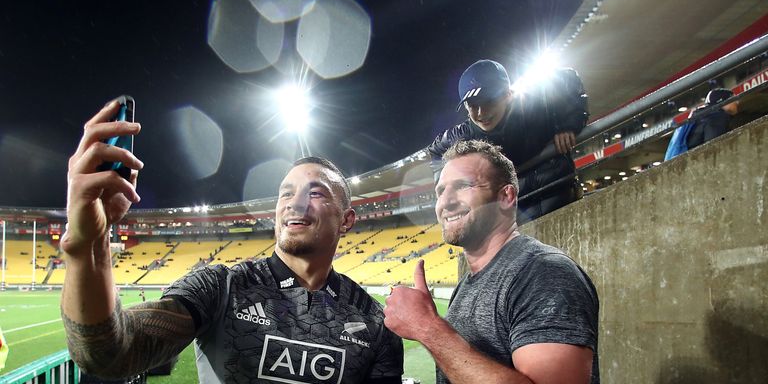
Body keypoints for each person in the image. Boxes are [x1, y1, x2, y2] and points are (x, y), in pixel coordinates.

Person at [60, 100, 403, 383]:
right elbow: (109, 355)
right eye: (286, 194)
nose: (295, 204)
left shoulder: (373, 322)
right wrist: (87, 243)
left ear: (347, 220)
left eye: (315, 194)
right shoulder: (220, 288)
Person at [384, 139, 599, 383]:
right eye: (440, 191)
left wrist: (427, 328)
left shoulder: (544, 273)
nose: (446, 202)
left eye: (463, 186)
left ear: (506, 197)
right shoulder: (467, 285)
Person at [428, 59, 589, 223]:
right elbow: (436, 151)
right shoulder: (465, 135)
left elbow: (569, 81)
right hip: (515, 221)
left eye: (488, 101)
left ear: (508, 94)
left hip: (562, 205)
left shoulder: (534, 104)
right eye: (472, 105)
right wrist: (444, 186)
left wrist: (566, 124)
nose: (481, 112)